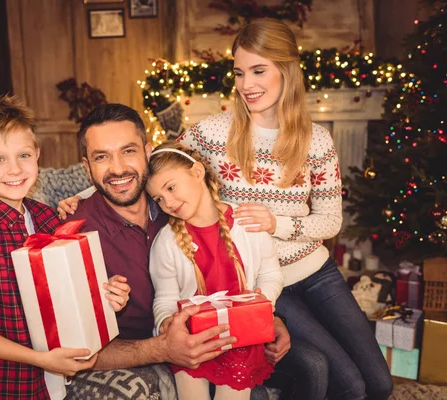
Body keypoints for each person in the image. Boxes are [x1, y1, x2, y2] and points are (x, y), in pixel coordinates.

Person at [176, 18, 393, 399]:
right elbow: (160, 163)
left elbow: (330, 221)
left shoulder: (317, 141)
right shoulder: (212, 133)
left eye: (259, 70)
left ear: (287, 71)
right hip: (269, 284)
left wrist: (277, 223)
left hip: (319, 273)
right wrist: (87, 194)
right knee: (352, 386)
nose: (247, 84)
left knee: (381, 383)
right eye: (240, 73)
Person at [60, 103, 295, 400]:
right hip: (149, 351)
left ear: (147, 153)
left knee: (314, 367)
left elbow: (253, 269)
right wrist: (162, 345)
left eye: (128, 151)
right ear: (87, 167)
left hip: (233, 335)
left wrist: (269, 317)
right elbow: (72, 350)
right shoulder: (73, 232)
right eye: (102, 157)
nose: (118, 167)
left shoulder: (173, 205)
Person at [0, 94, 130, 400]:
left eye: (23, 156)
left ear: (37, 155)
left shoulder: (45, 217)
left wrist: (107, 297)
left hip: (53, 379)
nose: (14, 169)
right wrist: (40, 360)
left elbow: (64, 290)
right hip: (6, 384)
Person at [147, 142, 284, 400]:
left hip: (240, 338)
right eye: (159, 198)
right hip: (193, 339)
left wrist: (261, 304)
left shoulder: (247, 225)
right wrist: (165, 321)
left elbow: (271, 273)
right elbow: (164, 297)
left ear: (197, 172)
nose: (168, 202)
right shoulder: (166, 242)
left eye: (171, 187)